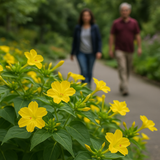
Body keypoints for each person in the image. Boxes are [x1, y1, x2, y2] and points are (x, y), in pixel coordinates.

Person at [109, 2, 142, 96]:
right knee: (122, 67)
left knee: (128, 69)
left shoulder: (134, 23)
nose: (124, 12)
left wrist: (139, 47)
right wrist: (111, 49)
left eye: (126, 10)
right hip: (119, 49)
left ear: (129, 11)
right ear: (120, 12)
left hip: (130, 50)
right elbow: (112, 36)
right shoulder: (116, 23)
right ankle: (125, 87)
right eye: (123, 10)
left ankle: (122, 84)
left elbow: (138, 36)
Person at [70, 8, 102, 86]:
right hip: (80, 53)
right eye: (84, 15)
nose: (86, 17)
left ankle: (88, 87)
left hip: (92, 53)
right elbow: (74, 41)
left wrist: (99, 51)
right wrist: (72, 53)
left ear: (90, 17)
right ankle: (83, 89)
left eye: (87, 15)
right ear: (81, 17)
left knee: (89, 71)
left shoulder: (94, 27)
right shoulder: (78, 28)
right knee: (83, 70)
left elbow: (99, 40)